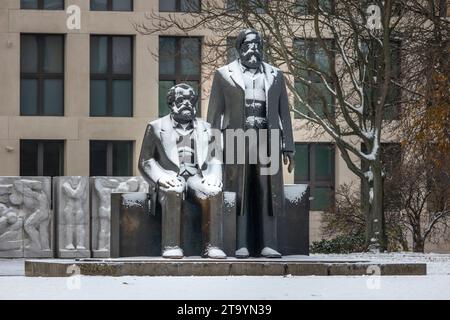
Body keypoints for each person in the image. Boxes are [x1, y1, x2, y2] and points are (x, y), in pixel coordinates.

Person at [207, 28, 295, 258]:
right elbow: (214, 115)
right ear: (239, 49)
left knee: (269, 194)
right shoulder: (223, 75)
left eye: (257, 45)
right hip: (236, 138)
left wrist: (289, 146)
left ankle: (270, 243)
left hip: (269, 139)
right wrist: (212, 151)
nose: (253, 50)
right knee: (239, 192)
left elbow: (284, 112)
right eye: (247, 45)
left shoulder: (276, 75)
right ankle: (241, 243)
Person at [139, 83, 226, 259]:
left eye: (190, 100)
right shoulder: (155, 127)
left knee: (214, 192)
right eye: (181, 100)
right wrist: (161, 177)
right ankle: (171, 246)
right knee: (173, 191)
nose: (187, 103)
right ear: (171, 104)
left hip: (197, 176)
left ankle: (213, 247)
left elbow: (215, 157)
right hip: (170, 176)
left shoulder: (208, 128)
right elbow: (145, 160)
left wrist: (214, 176)